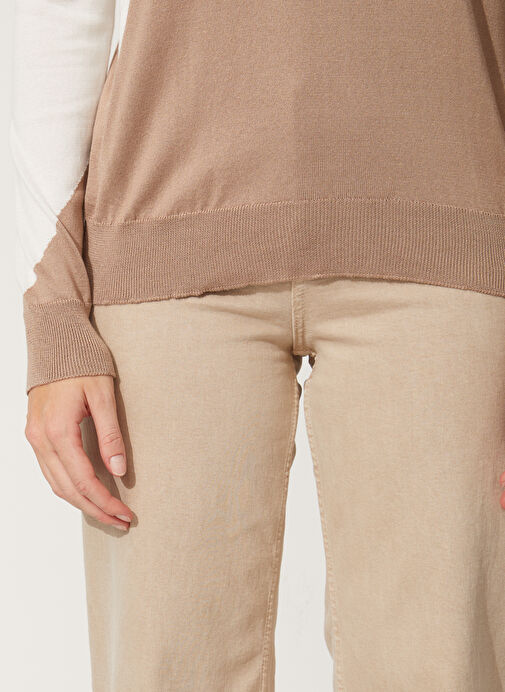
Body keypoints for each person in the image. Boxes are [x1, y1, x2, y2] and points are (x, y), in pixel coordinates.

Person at [10, 1, 505, 690]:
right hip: (164, 238)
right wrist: (54, 305)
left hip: (452, 240)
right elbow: (59, 14)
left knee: (440, 668)